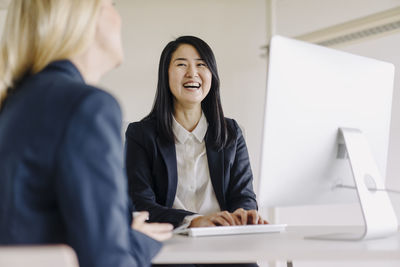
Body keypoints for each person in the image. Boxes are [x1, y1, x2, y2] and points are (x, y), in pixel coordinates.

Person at [0, 1, 172, 267]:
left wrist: (120, 235)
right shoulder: (89, 108)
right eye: (111, 4)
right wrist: (137, 243)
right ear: (83, 16)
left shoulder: (14, 105)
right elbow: (108, 262)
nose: (118, 17)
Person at [125, 36, 266, 266]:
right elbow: (140, 205)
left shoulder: (231, 132)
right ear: (166, 74)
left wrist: (244, 213)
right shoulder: (141, 134)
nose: (193, 73)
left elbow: (244, 195)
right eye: (181, 64)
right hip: (171, 246)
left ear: (212, 75)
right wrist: (194, 221)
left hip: (224, 246)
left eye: (201, 65)